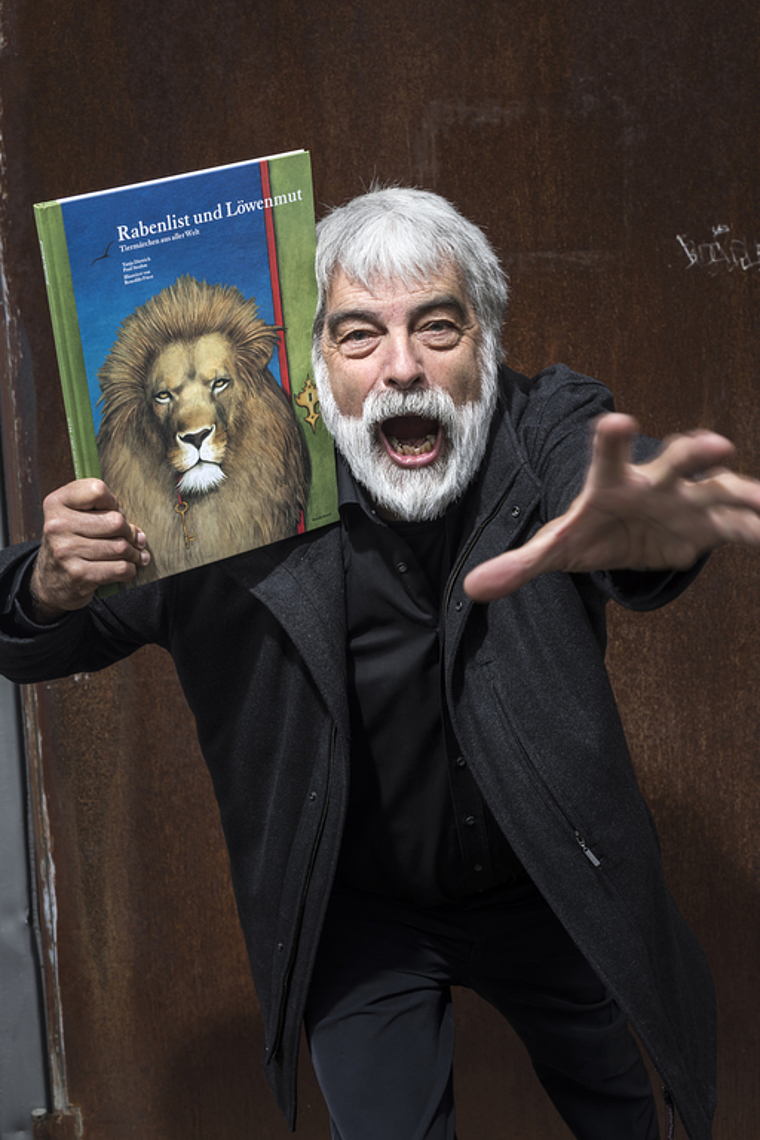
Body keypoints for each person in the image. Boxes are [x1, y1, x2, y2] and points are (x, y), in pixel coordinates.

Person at [1, 187, 759, 1140]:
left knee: (624, 1112)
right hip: (362, 921)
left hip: (549, 881)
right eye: (359, 337)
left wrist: (650, 530)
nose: (403, 369)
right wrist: (51, 585)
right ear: (313, 367)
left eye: (438, 327)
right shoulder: (231, 501)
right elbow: (37, 637)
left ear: (485, 344)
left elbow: (607, 482)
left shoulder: (540, 426)